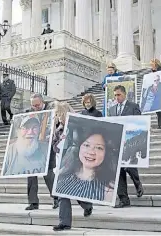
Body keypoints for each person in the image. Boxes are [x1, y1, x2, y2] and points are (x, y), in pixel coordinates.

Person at [55, 123, 121, 203]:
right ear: (79, 147)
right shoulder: (62, 177)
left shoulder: (109, 188)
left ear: (106, 153)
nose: (91, 152)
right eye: (86, 145)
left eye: (99, 148)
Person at [52, 101, 93, 232]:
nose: (57, 116)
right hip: (63, 160)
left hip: (73, 160)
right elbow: (56, 146)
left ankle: (82, 208)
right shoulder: (60, 127)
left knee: (66, 189)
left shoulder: (75, 125)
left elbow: (77, 143)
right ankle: (65, 221)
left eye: (59, 113)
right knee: (64, 191)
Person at [109, 85, 144, 208]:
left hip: (130, 142)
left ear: (124, 94)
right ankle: (123, 199)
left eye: (118, 95)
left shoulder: (133, 106)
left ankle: (137, 183)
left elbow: (140, 123)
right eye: (115, 95)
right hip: (116, 143)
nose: (116, 97)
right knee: (118, 171)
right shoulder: (112, 110)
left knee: (130, 167)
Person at [25, 93, 58, 211]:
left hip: (47, 147)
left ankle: (56, 198)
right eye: (33, 105)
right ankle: (33, 202)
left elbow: (58, 126)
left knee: (48, 174)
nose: (35, 107)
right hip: (33, 148)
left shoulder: (52, 109)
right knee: (30, 174)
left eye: (37, 105)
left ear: (42, 102)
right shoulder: (29, 112)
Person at [149, 60, 161, 129]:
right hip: (155, 93)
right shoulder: (153, 72)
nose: (151, 66)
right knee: (157, 110)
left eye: (152, 65)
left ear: (156, 64)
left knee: (159, 109)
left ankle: (160, 125)